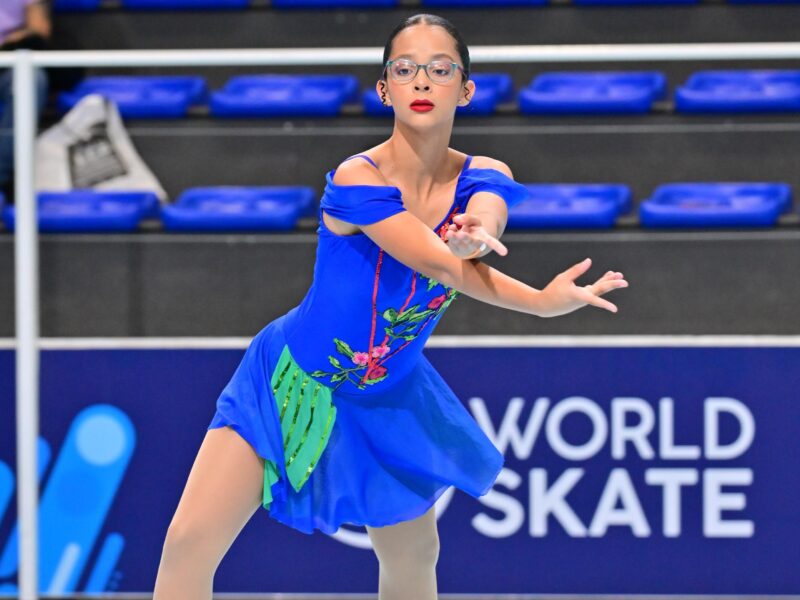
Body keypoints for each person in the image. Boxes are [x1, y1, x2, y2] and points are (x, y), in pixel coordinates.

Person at [152, 13, 629, 600]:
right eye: (404, 70)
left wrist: (477, 234)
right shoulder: (357, 178)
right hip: (292, 381)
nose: (422, 82)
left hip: (391, 392)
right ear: (385, 90)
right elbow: (434, 262)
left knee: (414, 556)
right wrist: (538, 301)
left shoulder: (485, 174)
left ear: (466, 88)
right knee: (187, 543)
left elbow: (485, 213)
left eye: (439, 69)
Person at [0, 0, 52, 203]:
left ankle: (2, 178)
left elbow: (39, 29)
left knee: (31, 79)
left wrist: (9, 43)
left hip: (8, 62)